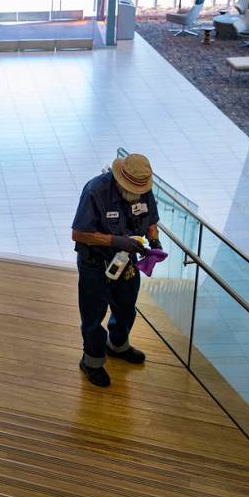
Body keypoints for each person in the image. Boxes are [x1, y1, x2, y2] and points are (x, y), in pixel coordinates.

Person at [71, 154, 163, 387]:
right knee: (93, 316)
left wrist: (154, 243)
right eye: (131, 188)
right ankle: (91, 362)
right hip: (95, 263)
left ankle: (118, 345)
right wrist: (115, 241)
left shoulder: (144, 188)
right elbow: (79, 233)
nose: (136, 193)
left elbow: (151, 219)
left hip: (127, 262)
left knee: (126, 308)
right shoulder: (95, 191)